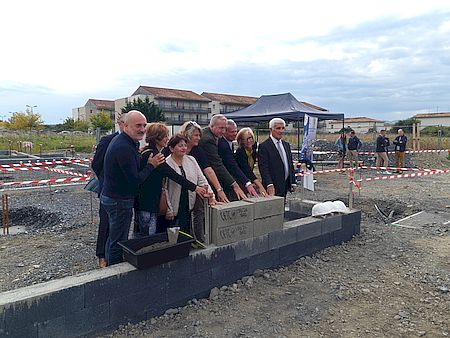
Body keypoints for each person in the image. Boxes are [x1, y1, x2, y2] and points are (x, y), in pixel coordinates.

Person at [101, 110, 165, 266]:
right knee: (118, 240)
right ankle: (115, 274)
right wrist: (151, 165)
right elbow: (134, 180)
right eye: (138, 126)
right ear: (126, 126)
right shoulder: (124, 147)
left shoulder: (126, 142)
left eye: (144, 125)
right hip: (119, 201)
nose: (142, 129)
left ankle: (111, 265)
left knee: (113, 236)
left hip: (112, 197)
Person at [136, 123, 206, 236]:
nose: (167, 139)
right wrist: (195, 188)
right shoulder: (153, 154)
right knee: (147, 236)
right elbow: (173, 175)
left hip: (149, 201)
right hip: (147, 201)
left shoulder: (150, 152)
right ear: (157, 138)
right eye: (165, 136)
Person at [178, 120, 228, 242]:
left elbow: (207, 171)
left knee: (198, 214)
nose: (199, 138)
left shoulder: (197, 150)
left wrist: (218, 190)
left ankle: (197, 240)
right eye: (196, 135)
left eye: (199, 135)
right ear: (187, 135)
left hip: (194, 189)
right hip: (178, 190)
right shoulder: (174, 147)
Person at [91, 113, 126, 268]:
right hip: (108, 190)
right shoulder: (108, 140)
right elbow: (96, 164)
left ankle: (116, 254)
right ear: (120, 124)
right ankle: (102, 256)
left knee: (119, 225)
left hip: (123, 193)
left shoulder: (133, 142)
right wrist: (105, 180)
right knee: (105, 223)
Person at [165, 135, 214, 233]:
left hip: (189, 200)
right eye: (180, 146)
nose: (183, 148)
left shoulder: (191, 160)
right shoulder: (166, 163)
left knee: (187, 227)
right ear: (171, 148)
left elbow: (201, 179)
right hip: (174, 202)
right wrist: (168, 208)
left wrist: (211, 195)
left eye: (185, 145)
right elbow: (165, 188)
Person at [199, 114, 247, 201]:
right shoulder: (208, 140)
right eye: (221, 128)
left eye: (225, 128)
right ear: (212, 126)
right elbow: (217, 164)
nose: (223, 131)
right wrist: (234, 184)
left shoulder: (213, 136)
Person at [218, 120, 258, 198]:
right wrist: (247, 183)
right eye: (232, 132)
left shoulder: (230, 143)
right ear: (225, 132)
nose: (234, 134)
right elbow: (232, 166)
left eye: (236, 131)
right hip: (226, 180)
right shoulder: (224, 145)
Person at [258, 118, 296, 197]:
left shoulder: (286, 145)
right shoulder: (264, 146)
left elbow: (290, 164)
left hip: (285, 185)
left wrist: (292, 181)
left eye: (283, 128)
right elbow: (263, 168)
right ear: (271, 130)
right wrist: (269, 183)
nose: (281, 131)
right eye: (278, 128)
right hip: (272, 187)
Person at [235, 127, 267, 196]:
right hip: (240, 179)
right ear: (241, 141)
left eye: (250, 138)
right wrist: (259, 185)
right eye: (245, 139)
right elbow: (247, 170)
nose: (249, 141)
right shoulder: (240, 152)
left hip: (249, 178)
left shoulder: (254, 148)